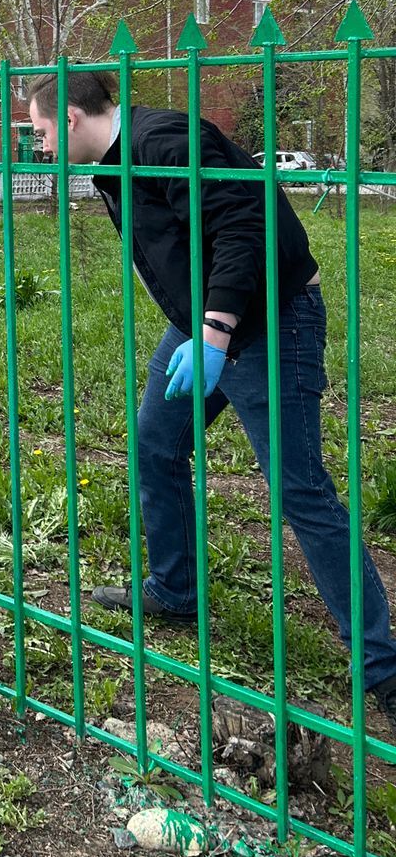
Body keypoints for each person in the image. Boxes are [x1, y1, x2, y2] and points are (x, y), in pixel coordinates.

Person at [26, 71, 396, 733]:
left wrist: (217, 331)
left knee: (299, 491)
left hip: (269, 323)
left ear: (74, 119)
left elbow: (242, 226)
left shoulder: (164, 140)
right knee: (156, 445)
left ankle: (383, 668)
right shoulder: (118, 163)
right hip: (203, 325)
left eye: (42, 132)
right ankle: (174, 589)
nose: (41, 145)